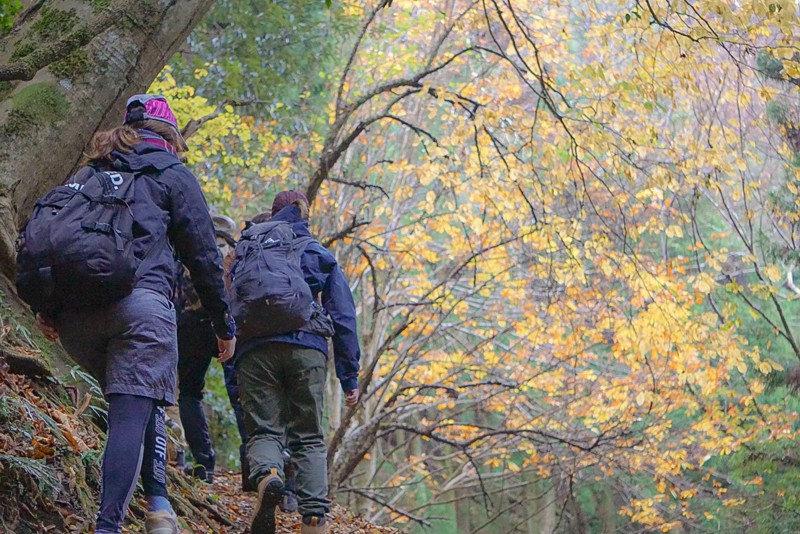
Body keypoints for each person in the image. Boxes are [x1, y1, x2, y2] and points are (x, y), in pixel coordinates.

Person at [36, 94, 236, 534]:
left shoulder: (91, 172)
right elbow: (203, 256)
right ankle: (111, 524)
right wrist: (224, 324)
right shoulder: (172, 174)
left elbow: (53, 235)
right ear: (171, 136)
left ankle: (159, 502)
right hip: (141, 309)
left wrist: (49, 310)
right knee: (132, 410)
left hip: (77, 318)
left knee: (138, 402)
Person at [235, 190, 360, 534]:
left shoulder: (250, 248)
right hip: (307, 348)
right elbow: (344, 316)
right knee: (308, 436)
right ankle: (314, 520)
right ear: (305, 217)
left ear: (272, 214)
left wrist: (231, 353)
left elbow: (229, 300)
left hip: (255, 351)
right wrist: (349, 377)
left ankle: (268, 477)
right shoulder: (316, 251)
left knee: (265, 430)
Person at [174, 212, 238, 484]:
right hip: (230, 326)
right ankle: (257, 466)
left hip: (191, 326)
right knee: (241, 395)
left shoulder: (190, 247)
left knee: (189, 393)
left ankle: (204, 463)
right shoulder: (236, 253)